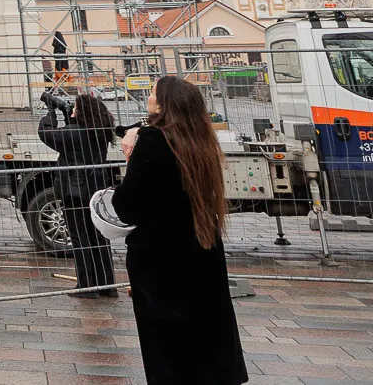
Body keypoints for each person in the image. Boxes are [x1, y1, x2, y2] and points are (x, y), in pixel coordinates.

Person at [113, 75, 248, 384]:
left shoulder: (152, 142)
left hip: (160, 259)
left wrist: (131, 157)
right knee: (207, 334)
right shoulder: (201, 139)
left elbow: (126, 205)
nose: (147, 97)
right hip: (203, 249)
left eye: (151, 93)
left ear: (162, 104)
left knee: (167, 349)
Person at [38, 91, 120, 296]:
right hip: (95, 190)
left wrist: (51, 110)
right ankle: (107, 286)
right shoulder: (99, 131)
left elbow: (46, 132)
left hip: (75, 192)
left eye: (75, 108)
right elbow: (72, 131)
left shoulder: (74, 134)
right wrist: (68, 113)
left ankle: (87, 286)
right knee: (98, 237)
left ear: (80, 113)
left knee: (80, 238)